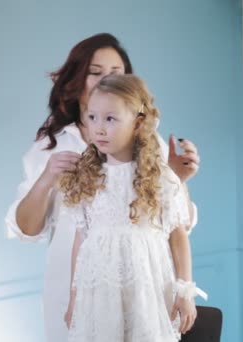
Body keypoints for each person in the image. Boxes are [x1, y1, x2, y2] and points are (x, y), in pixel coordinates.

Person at [4, 33, 201, 341]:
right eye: (95, 72)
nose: (103, 81)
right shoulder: (52, 146)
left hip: (146, 289)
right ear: (77, 78)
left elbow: (177, 226)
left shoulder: (150, 145)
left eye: (115, 74)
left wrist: (180, 180)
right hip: (87, 294)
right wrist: (46, 180)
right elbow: (30, 229)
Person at [61, 74, 207, 342]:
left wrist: (185, 292)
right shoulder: (87, 178)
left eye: (110, 119)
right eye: (92, 118)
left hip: (146, 289)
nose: (99, 128)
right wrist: (74, 299)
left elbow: (177, 235)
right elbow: (81, 240)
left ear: (138, 123)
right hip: (100, 291)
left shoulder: (161, 178)